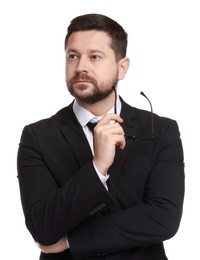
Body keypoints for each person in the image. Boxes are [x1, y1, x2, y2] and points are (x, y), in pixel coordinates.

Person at [17, 13, 185, 260]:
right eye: (73, 56)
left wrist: (71, 240)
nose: (81, 66)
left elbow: (164, 218)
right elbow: (43, 228)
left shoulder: (161, 130)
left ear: (121, 67)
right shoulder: (37, 136)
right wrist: (97, 168)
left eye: (94, 57)